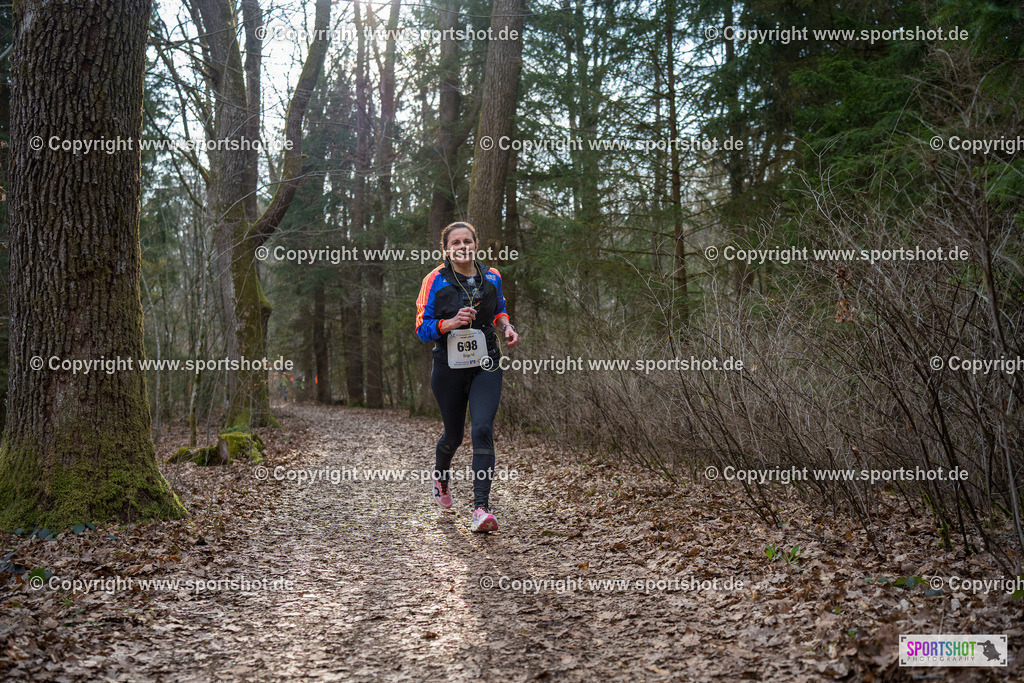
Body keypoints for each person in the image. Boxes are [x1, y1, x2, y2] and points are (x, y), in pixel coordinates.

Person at [415, 221, 519, 532]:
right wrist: (450, 323)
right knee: (454, 435)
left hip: (486, 362)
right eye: (456, 243)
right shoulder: (434, 280)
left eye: (468, 241)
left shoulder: (492, 276)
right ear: (446, 249)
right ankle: (441, 476)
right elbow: (422, 328)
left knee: (483, 428)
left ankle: (481, 508)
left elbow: (499, 308)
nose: (462, 247)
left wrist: (506, 326)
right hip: (448, 368)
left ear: (476, 244)